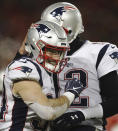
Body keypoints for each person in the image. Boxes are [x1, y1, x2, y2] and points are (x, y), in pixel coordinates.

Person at [40, 2, 118, 131]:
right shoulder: (40, 56)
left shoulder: (99, 52)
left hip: (88, 126)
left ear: (67, 29)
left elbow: (115, 101)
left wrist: (81, 115)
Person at [0, 20, 86, 131]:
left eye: (60, 52)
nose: (57, 58)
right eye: (51, 51)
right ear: (36, 47)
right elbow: (48, 112)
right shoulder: (23, 69)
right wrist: (71, 93)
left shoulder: (44, 70)